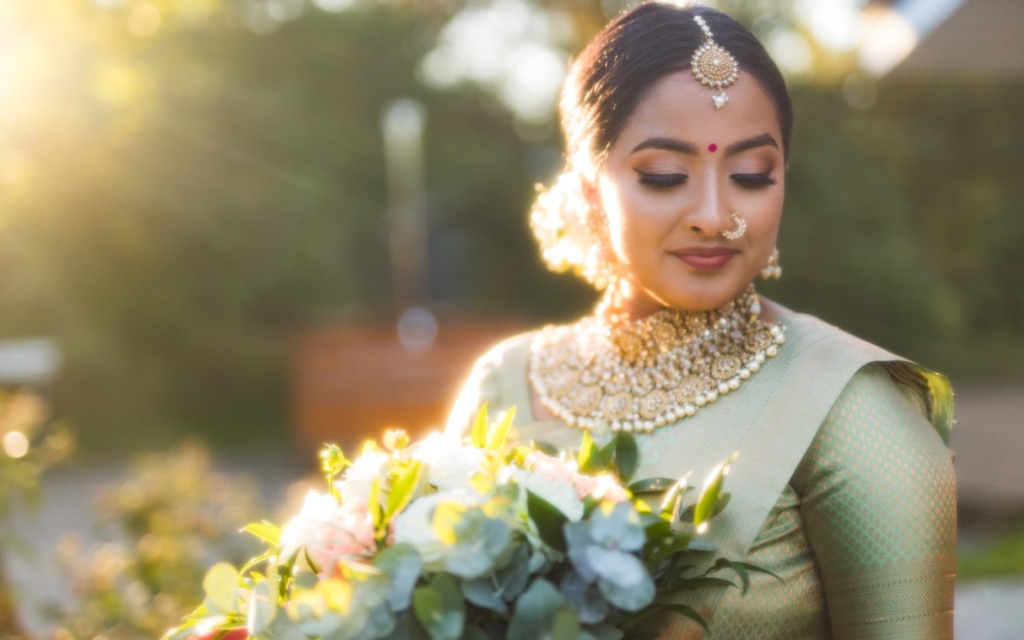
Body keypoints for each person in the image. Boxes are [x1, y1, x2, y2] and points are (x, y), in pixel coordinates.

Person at [445, 3, 955, 638]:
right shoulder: (505, 383)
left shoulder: (850, 408)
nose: (714, 214)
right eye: (664, 176)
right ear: (586, 191)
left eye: (750, 174)